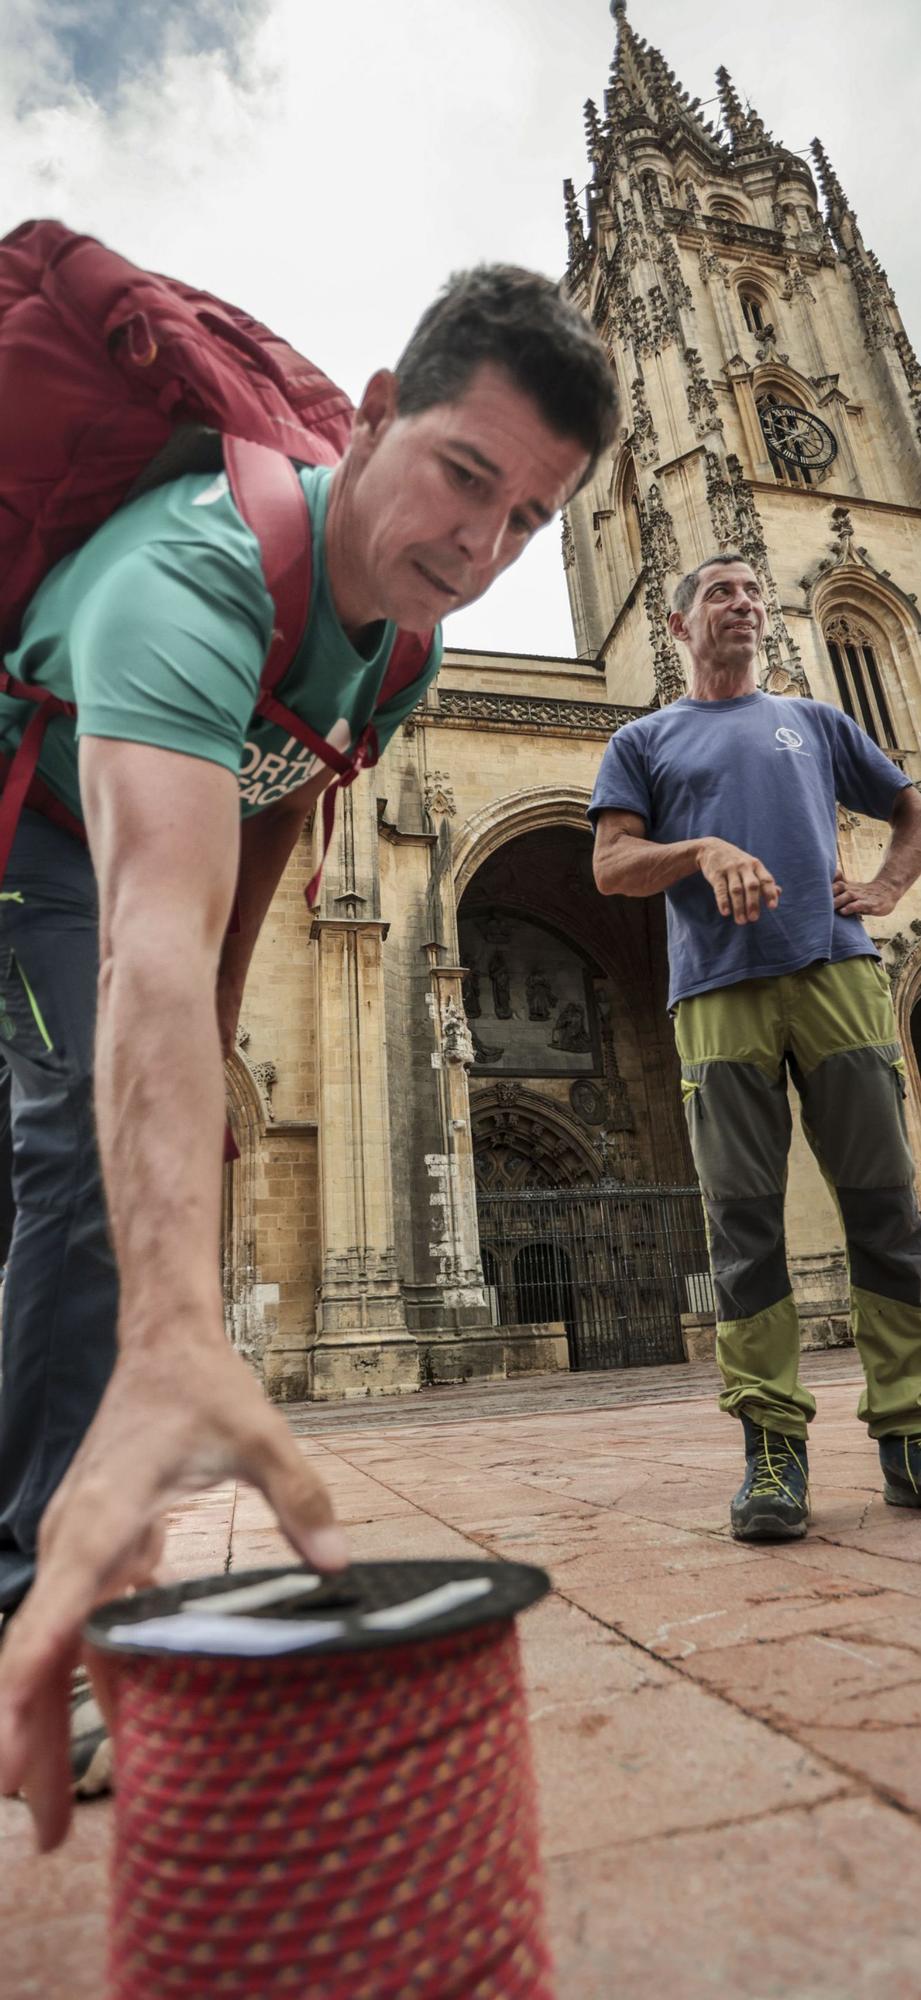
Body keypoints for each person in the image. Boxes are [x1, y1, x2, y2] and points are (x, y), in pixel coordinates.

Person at [0, 263, 619, 1848]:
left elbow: (286, 785)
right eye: (463, 477)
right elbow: (144, 922)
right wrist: (177, 1327)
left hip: (135, 836)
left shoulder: (401, 644)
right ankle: (35, 1606)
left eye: (528, 522)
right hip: (40, 825)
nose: (478, 551)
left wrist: (214, 1028)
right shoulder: (191, 580)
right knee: (82, 1140)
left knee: (121, 1124)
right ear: (378, 411)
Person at [590, 552, 921, 1544]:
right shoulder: (643, 739)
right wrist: (698, 850)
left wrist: (891, 881)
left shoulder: (814, 721)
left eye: (752, 591)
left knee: (886, 1207)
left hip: (837, 972)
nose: (744, 602)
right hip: (717, 995)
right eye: (720, 592)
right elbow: (609, 865)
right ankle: (771, 1447)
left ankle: (908, 1427)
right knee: (743, 1225)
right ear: (681, 624)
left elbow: (909, 802)